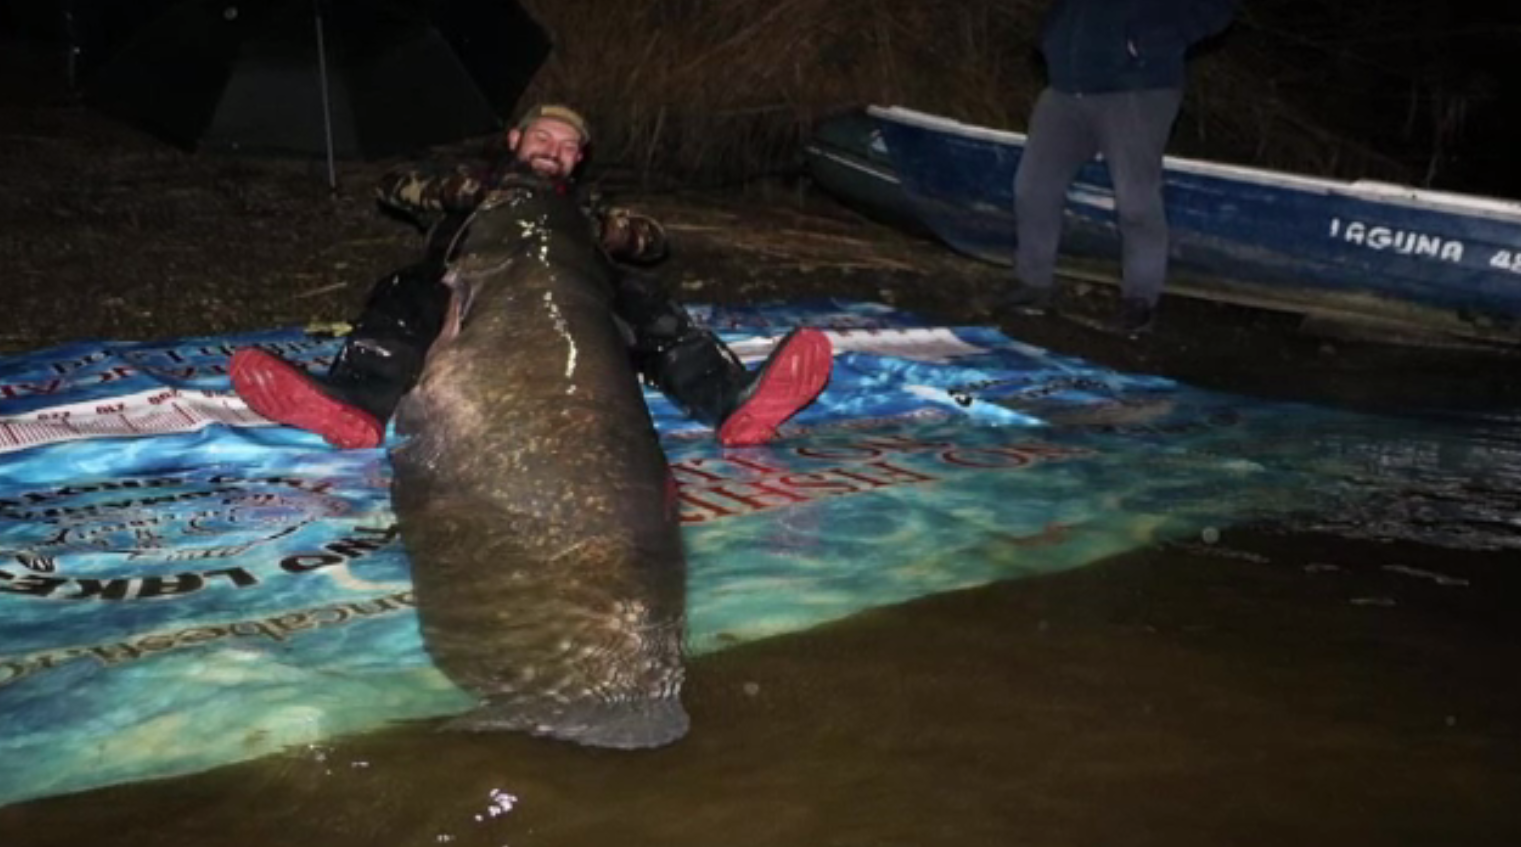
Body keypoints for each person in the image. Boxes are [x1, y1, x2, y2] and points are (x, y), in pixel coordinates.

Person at [230, 104, 832, 449]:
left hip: (568, 305)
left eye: (568, 146)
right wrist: (451, 191)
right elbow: (391, 186)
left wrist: (619, 234)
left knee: (642, 300)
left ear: (578, 159)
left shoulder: (583, 209)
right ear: (516, 139)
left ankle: (732, 401)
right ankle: (356, 402)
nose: (554, 149)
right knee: (406, 290)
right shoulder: (473, 183)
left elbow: (655, 241)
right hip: (472, 291)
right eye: (543, 137)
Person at [1003, 0, 1237, 335]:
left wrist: (1148, 42)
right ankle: (1032, 284)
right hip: (1066, 90)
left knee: (1136, 201)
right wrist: (1052, 37)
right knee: (1032, 188)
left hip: (1137, 91)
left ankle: (1139, 303)